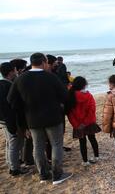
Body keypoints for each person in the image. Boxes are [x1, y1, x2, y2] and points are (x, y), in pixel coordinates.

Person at [7, 53, 72, 185]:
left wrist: (24, 116)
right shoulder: (50, 77)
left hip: (32, 119)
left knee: (38, 146)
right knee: (56, 145)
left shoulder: (21, 79)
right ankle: (57, 175)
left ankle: (43, 175)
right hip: (53, 117)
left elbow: (11, 100)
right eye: (47, 62)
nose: (47, 65)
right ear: (43, 62)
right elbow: (65, 96)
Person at [66, 77, 101, 166]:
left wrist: (76, 124)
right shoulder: (88, 96)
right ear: (84, 85)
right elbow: (92, 110)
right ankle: (96, 156)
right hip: (89, 123)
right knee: (92, 139)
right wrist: (86, 122)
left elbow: (69, 113)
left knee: (82, 142)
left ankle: (85, 161)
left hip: (77, 124)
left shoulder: (70, 95)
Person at [0, 62, 27, 176]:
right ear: (11, 72)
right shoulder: (8, 86)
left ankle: (10, 163)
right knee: (15, 143)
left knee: (9, 143)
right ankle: (14, 169)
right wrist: (13, 125)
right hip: (9, 120)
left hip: (3, 119)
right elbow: (10, 107)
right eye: (15, 70)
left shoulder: (2, 84)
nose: (17, 72)